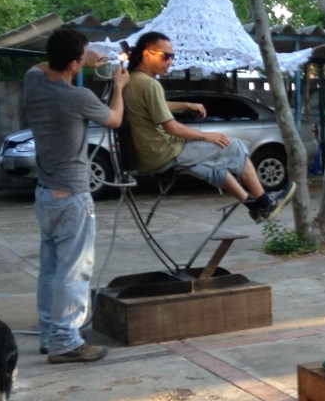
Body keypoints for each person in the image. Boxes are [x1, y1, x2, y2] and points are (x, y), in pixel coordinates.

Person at [25, 28, 128, 364]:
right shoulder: (76, 98)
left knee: (52, 270)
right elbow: (115, 119)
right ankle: (66, 342)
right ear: (72, 64)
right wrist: (119, 86)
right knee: (74, 271)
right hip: (71, 196)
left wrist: (83, 60)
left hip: (46, 195)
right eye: (81, 57)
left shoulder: (33, 82)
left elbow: (43, 66)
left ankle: (50, 335)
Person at [123, 31, 296, 223]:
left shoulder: (133, 80)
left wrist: (187, 105)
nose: (170, 61)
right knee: (233, 146)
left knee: (215, 168)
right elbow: (172, 128)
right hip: (165, 151)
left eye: (172, 56)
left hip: (149, 155)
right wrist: (207, 136)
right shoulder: (150, 84)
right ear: (147, 54)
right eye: (166, 56)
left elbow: (156, 105)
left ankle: (253, 206)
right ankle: (265, 204)